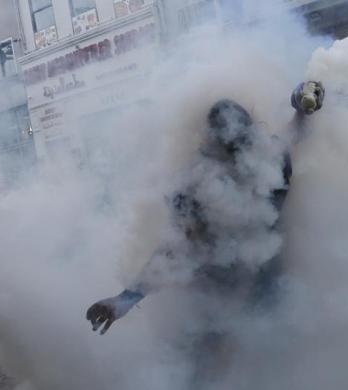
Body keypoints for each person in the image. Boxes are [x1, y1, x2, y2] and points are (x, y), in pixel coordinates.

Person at [86, 81, 325, 336]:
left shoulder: (271, 157)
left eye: (243, 146)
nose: (240, 159)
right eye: (231, 151)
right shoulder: (199, 186)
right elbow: (175, 248)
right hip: (215, 298)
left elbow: (295, 133)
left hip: (270, 288)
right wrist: (127, 298)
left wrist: (301, 107)